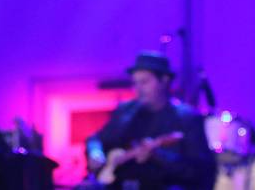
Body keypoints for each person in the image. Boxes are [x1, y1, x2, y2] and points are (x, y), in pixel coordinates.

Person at [85, 52, 216, 190]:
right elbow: (96, 138)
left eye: (144, 82)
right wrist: (96, 153)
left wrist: (158, 155)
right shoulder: (126, 111)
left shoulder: (188, 118)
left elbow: (198, 171)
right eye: (135, 83)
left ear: (164, 80)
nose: (138, 89)